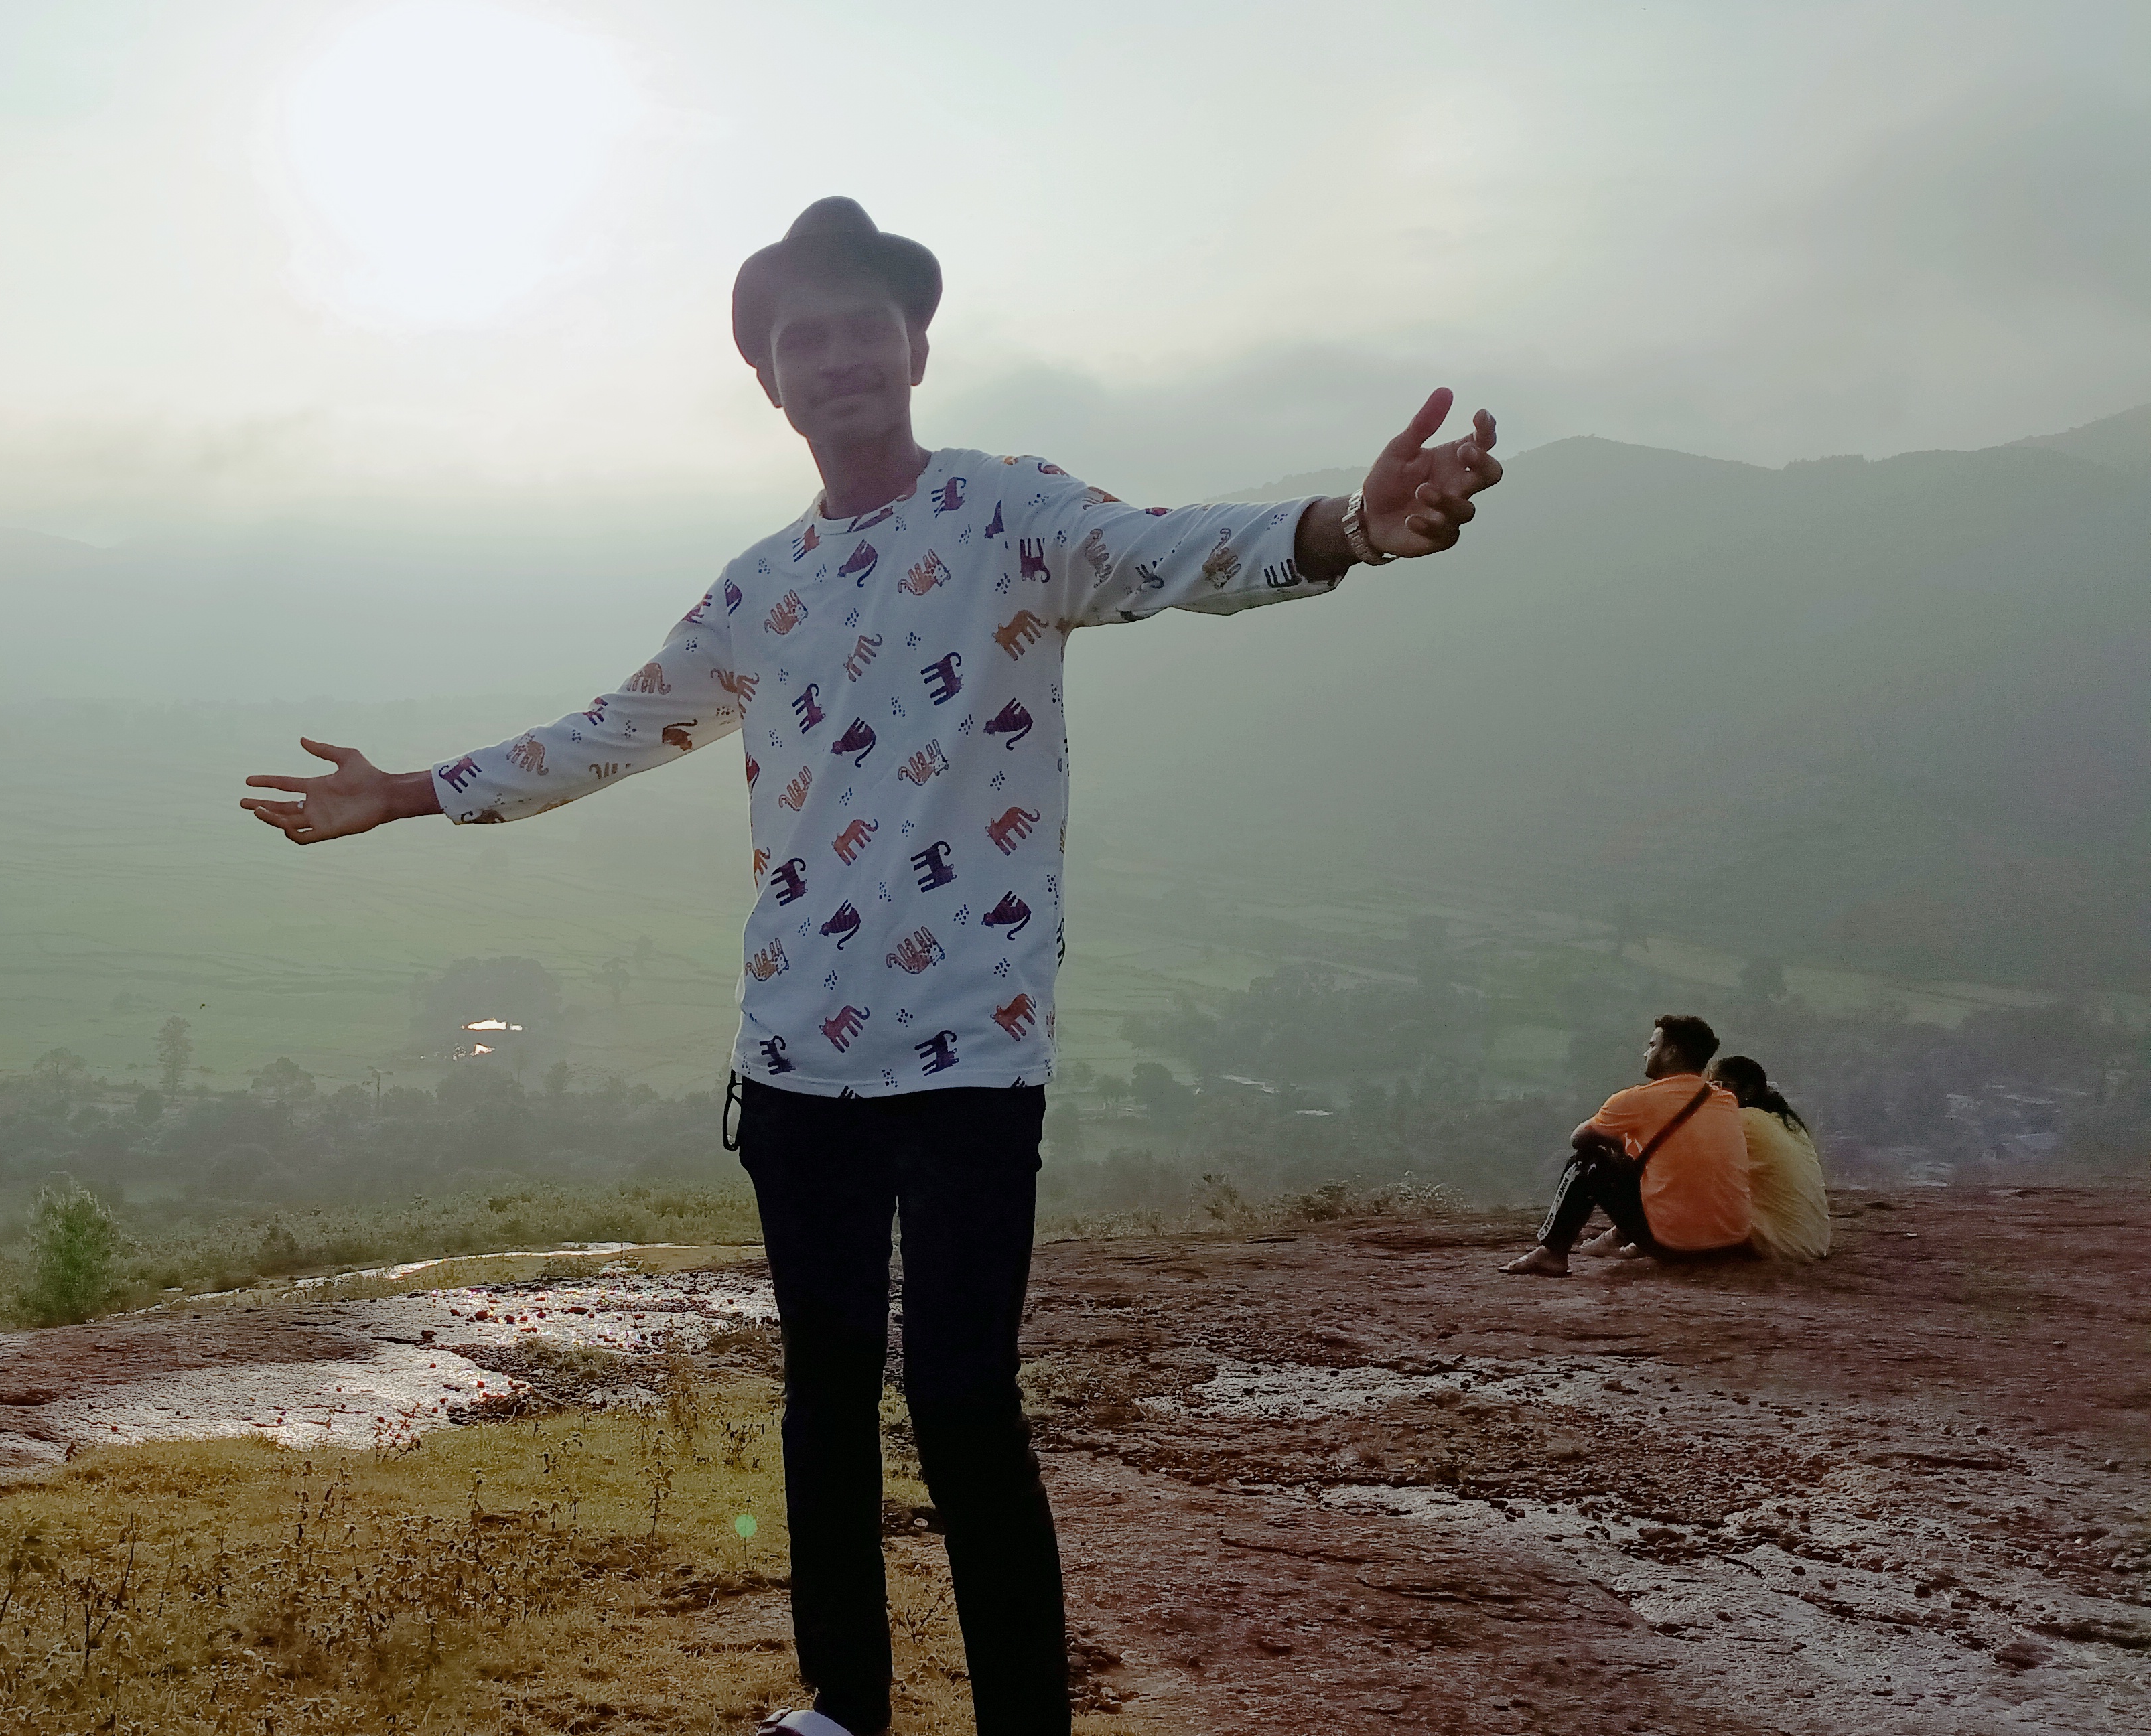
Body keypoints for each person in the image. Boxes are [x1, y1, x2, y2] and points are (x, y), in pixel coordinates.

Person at [241, 196, 1506, 1736]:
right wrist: (416, 788)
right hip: (794, 1057)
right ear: (769, 382)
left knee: (964, 1397)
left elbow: (1174, 552)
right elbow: (616, 727)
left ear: (913, 345)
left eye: (859, 326)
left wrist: (1352, 528)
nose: (834, 357)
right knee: (825, 1390)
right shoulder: (759, 586)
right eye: (800, 339)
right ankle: (846, 1703)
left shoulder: (1005, 516)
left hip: (971, 1050)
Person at [1504, 1014, 1749, 1277]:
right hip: (1731, 1242)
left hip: (1675, 1247)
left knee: (1588, 1161)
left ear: (1672, 1052)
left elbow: (1580, 1139)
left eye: (1653, 1045)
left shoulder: (1636, 1100)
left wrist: (1621, 1145)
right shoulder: (1724, 1100)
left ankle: (1551, 1253)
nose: (1646, 1053)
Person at [1714, 1052, 1831, 1260]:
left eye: (1720, 1085)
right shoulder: (1788, 1124)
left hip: (1774, 1245)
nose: (1713, 1093)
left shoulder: (1741, 1120)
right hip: (1812, 1242)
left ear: (1748, 1091)